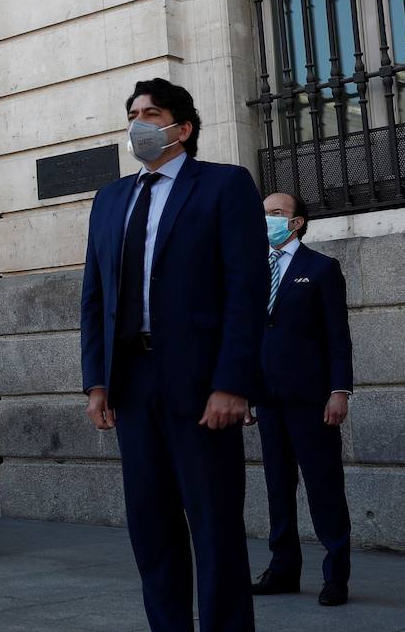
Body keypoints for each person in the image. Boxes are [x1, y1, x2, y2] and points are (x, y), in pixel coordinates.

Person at [80, 79, 266, 632]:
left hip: (200, 384)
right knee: (151, 526)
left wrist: (232, 383)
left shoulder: (224, 186)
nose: (139, 122)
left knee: (214, 527)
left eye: (151, 113)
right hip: (132, 384)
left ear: (181, 128)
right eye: (133, 113)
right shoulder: (111, 198)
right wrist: (97, 382)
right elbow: (95, 296)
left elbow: (246, 290)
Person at [250, 193, 354, 607]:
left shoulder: (322, 269)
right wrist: (245, 391)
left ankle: (336, 577)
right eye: (264, 214)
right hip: (269, 400)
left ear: (296, 223)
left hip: (313, 400)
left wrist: (339, 390)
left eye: (276, 214)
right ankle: (283, 569)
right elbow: (251, 335)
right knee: (278, 488)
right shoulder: (255, 272)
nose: (268, 220)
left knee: (324, 487)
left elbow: (337, 336)